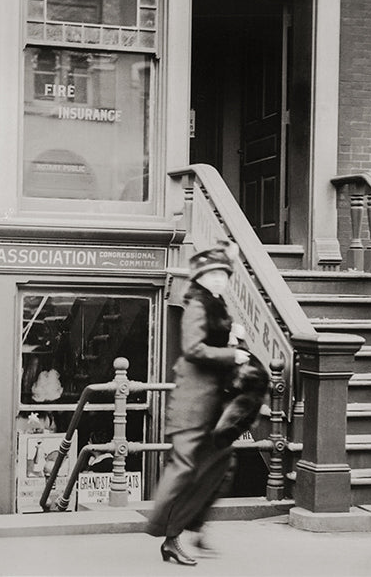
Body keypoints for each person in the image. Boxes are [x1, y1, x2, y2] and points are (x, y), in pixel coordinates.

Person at [146, 240, 250, 566]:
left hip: (212, 404)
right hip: (193, 405)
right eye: (212, 274)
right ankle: (171, 537)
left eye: (223, 274)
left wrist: (233, 336)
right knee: (186, 471)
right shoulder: (196, 305)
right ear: (200, 278)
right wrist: (231, 353)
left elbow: (212, 340)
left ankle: (196, 526)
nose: (219, 279)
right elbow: (193, 349)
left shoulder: (216, 304)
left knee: (220, 466)